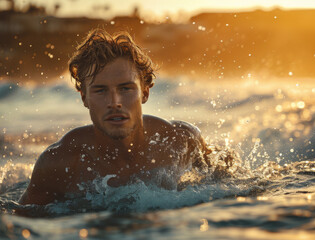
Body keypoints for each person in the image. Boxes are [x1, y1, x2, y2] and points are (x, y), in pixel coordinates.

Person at [18, 29, 211, 205]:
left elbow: (226, 183)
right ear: (84, 97)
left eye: (126, 88)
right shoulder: (59, 164)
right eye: (100, 90)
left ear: (144, 92)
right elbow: (23, 218)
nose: (114, 102)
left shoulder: (180, 142)